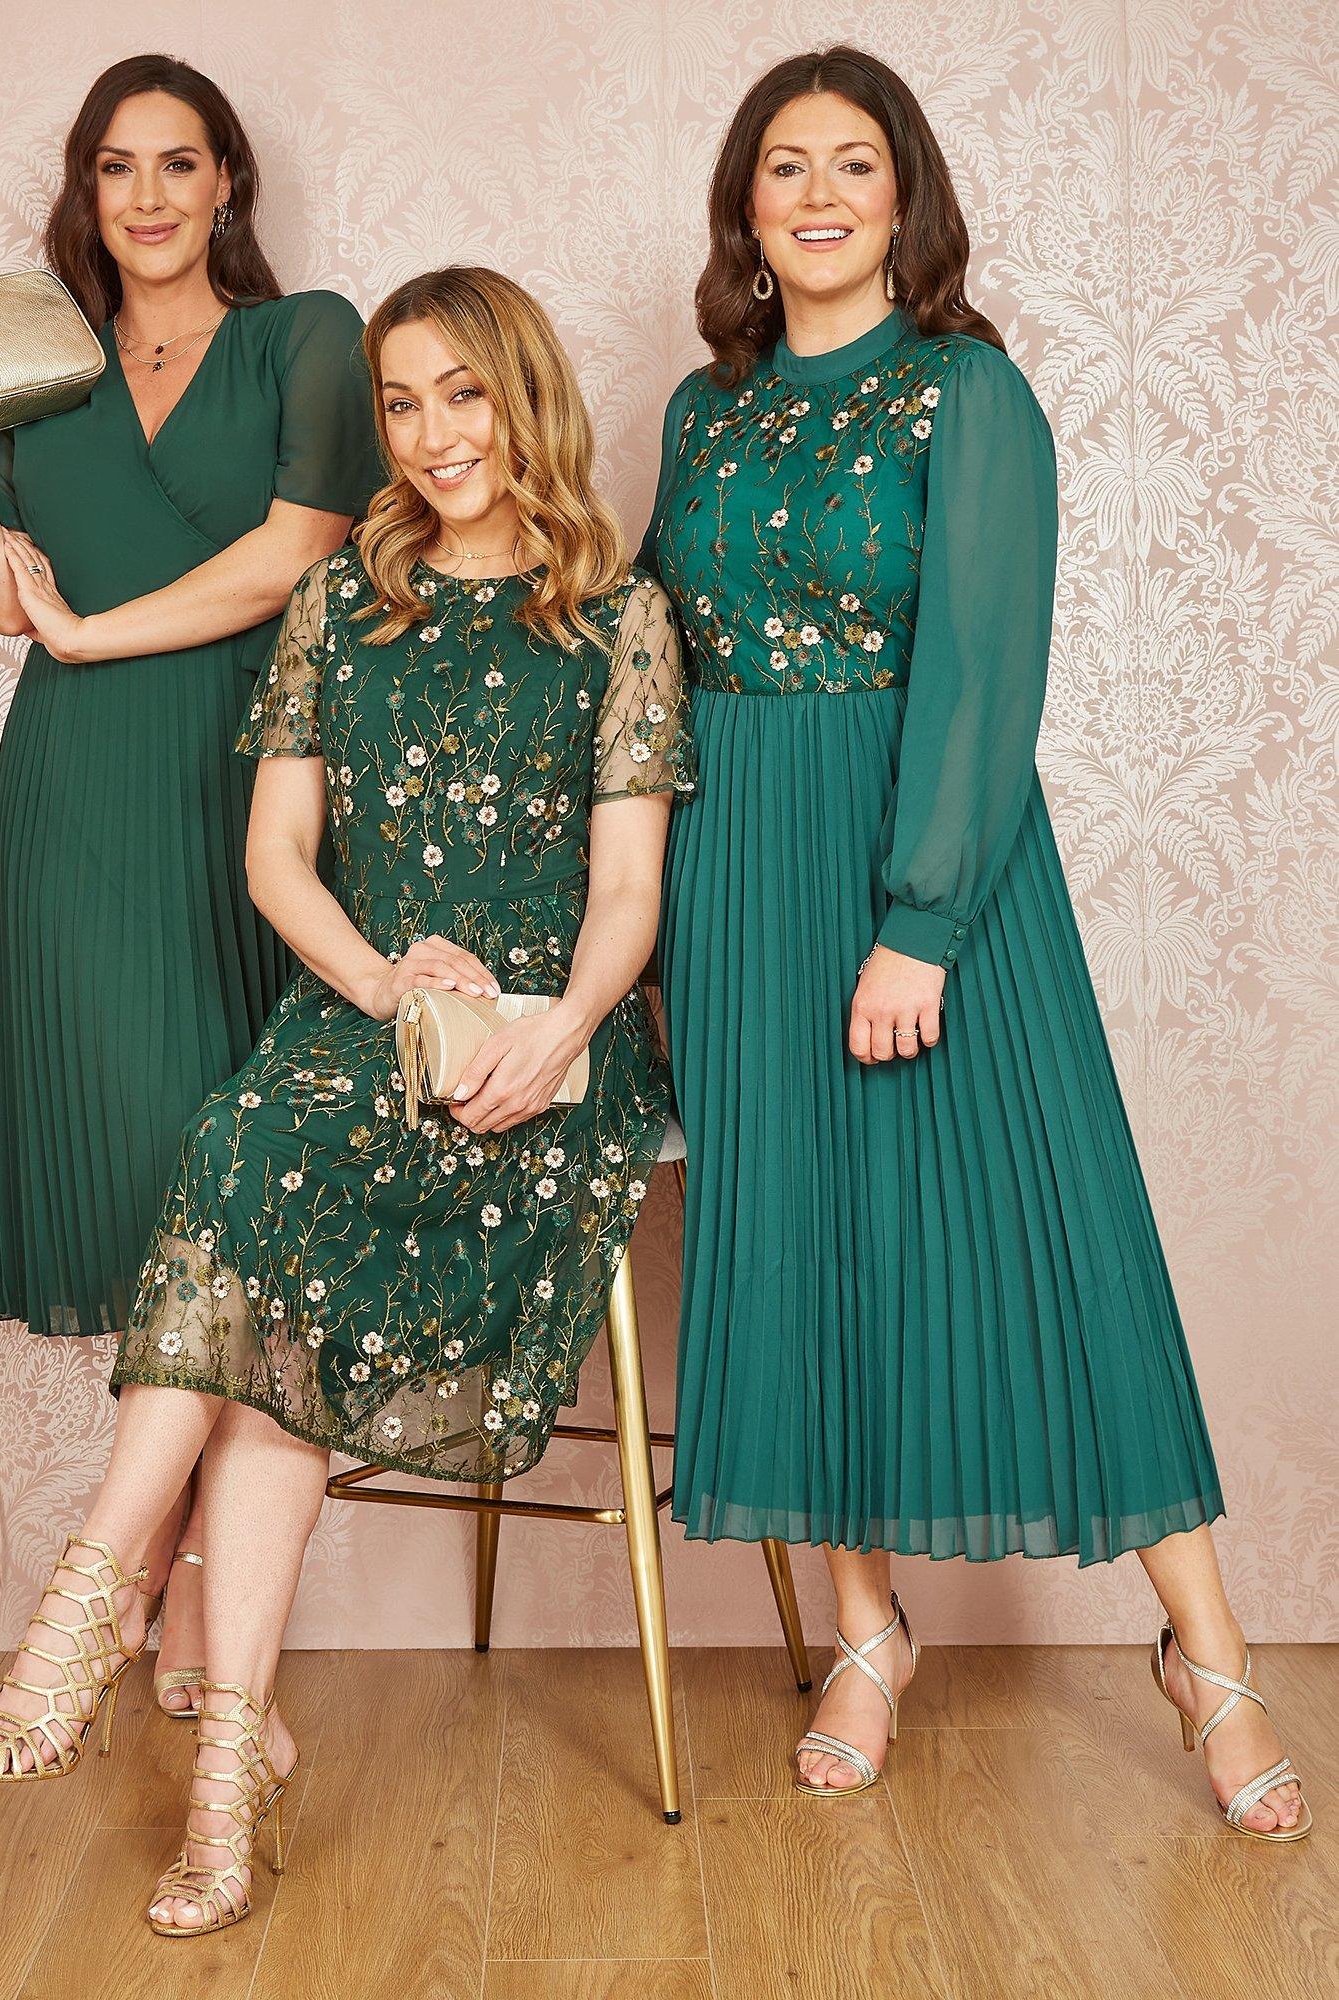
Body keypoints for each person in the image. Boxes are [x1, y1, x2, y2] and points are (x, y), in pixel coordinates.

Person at [0, 265, 694, 1937]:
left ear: (526, 396)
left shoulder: (617, 613)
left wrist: (557, 1033)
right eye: (403, 403)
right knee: (251, 1159)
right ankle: (214, 1773)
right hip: (365, 1015)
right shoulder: (342, 596)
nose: (431, 435)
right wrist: (381, 988)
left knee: (263, 1238)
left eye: (463, 395)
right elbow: (276, 860)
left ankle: (104, 1622)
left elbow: (631, 892)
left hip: (550, 1039)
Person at [642, 44, 1308, 1840]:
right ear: (746, 205)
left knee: (1059, 1238)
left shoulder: (966, 393)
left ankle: (1209, 1655)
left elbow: (987, 667)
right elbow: (652, 647)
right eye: (787, 164)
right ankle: (866, 1631)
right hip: (735, 870)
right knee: (798, 1245)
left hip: (928, 857)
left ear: (907, 199)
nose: (821, 194)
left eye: (856, 163)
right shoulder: (705, 412)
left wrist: (921, 921)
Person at [0, 53, 379, 1719]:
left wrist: (95, 633)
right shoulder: (30, 369)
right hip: (81, 796)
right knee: (159, 1180)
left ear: (229, 182)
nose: (148, 196)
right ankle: (172, 1579)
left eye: (179, 162)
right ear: (85, 191)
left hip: (261, 781)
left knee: (240, 1185)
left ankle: (162, 1574)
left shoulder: (307, 340)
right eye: (116, 167)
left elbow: (296, 553)